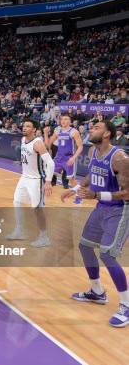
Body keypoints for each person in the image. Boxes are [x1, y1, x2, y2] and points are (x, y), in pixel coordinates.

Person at [61, 121, 128, 328]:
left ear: (107, 133)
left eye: (96, 127)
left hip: (120, 209)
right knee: (85, 246)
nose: (90, 129)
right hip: (102, 206)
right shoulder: (92, 152)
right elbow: (92, 175)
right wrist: (75, 189)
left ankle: (126, 305)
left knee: (107, 254)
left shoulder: (119, 158)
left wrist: (96, 194)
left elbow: (127, 192)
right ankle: (97, 292)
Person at [6, 119, 55, 248]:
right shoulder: (23, 140)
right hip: (24, 177)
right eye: (24, 126)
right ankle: (19, 231)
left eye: (28, 126)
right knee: (16, 201)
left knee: (37, 209)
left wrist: (48, 181)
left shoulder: (37, 143)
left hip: (36, 180)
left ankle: (44, 237)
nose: (24, 128)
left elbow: (50, 163)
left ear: (34, 130)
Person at [45, 113, 83, 189]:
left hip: (68, 158)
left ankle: (80, 195)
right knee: (48, 171)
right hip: (58, 158)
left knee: (72, 180)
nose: (63, 121)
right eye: (62, 119)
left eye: (66, 119)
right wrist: (46, 134)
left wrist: (73, 158)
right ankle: (46, 189)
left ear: (70, 121)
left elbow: (80, 147)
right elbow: (48, 143)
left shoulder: (74, 132)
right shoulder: (57, 130)